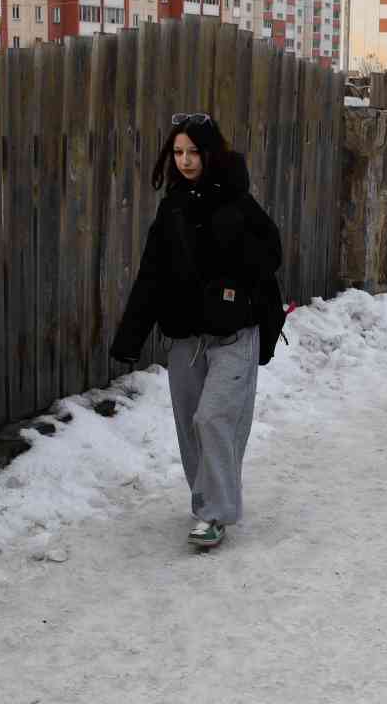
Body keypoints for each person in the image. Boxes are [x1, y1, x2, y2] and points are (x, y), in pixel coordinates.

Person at [110, 112, 284, 551]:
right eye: (178, 152)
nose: (185, 160)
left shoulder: (238, 203)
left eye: (193, 152)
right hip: (186, 340)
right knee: (191, 426)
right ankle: (206, 498)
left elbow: (271, 256)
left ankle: (215, 514)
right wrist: (130, 338)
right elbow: (151, 274)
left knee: (214, 419)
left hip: (233, 336)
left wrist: (236, 275)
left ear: (211, 153)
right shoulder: (172, 208)